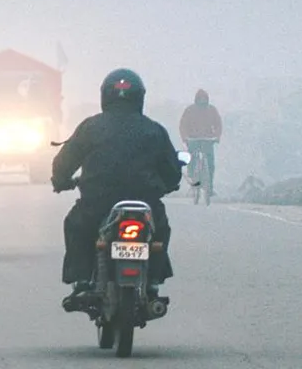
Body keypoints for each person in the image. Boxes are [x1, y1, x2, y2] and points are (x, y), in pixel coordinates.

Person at [50, 68, 184, 306]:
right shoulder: (153, 129)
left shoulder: (90, 127)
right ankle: (153, 280)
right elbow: (172, 171)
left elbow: (65, 162)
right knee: (160, 229)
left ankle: (81, 281)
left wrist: (61, 181)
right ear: (140, 97)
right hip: (145, 203)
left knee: (76, 226)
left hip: (97, 203)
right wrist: (168, 184)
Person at [179, 89, 223, 194]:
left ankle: (209, 187)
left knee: (210, 164)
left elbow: (218, 124)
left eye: (204, 99)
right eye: (200, 99)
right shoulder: (190, 110)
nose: (202, 101)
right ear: (197, 99)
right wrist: (185, 137)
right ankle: (192, 176)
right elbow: (183, 125)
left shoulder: (212, 110)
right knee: (192, 159)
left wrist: (217, 137)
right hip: (193, 140)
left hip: (207, 140)